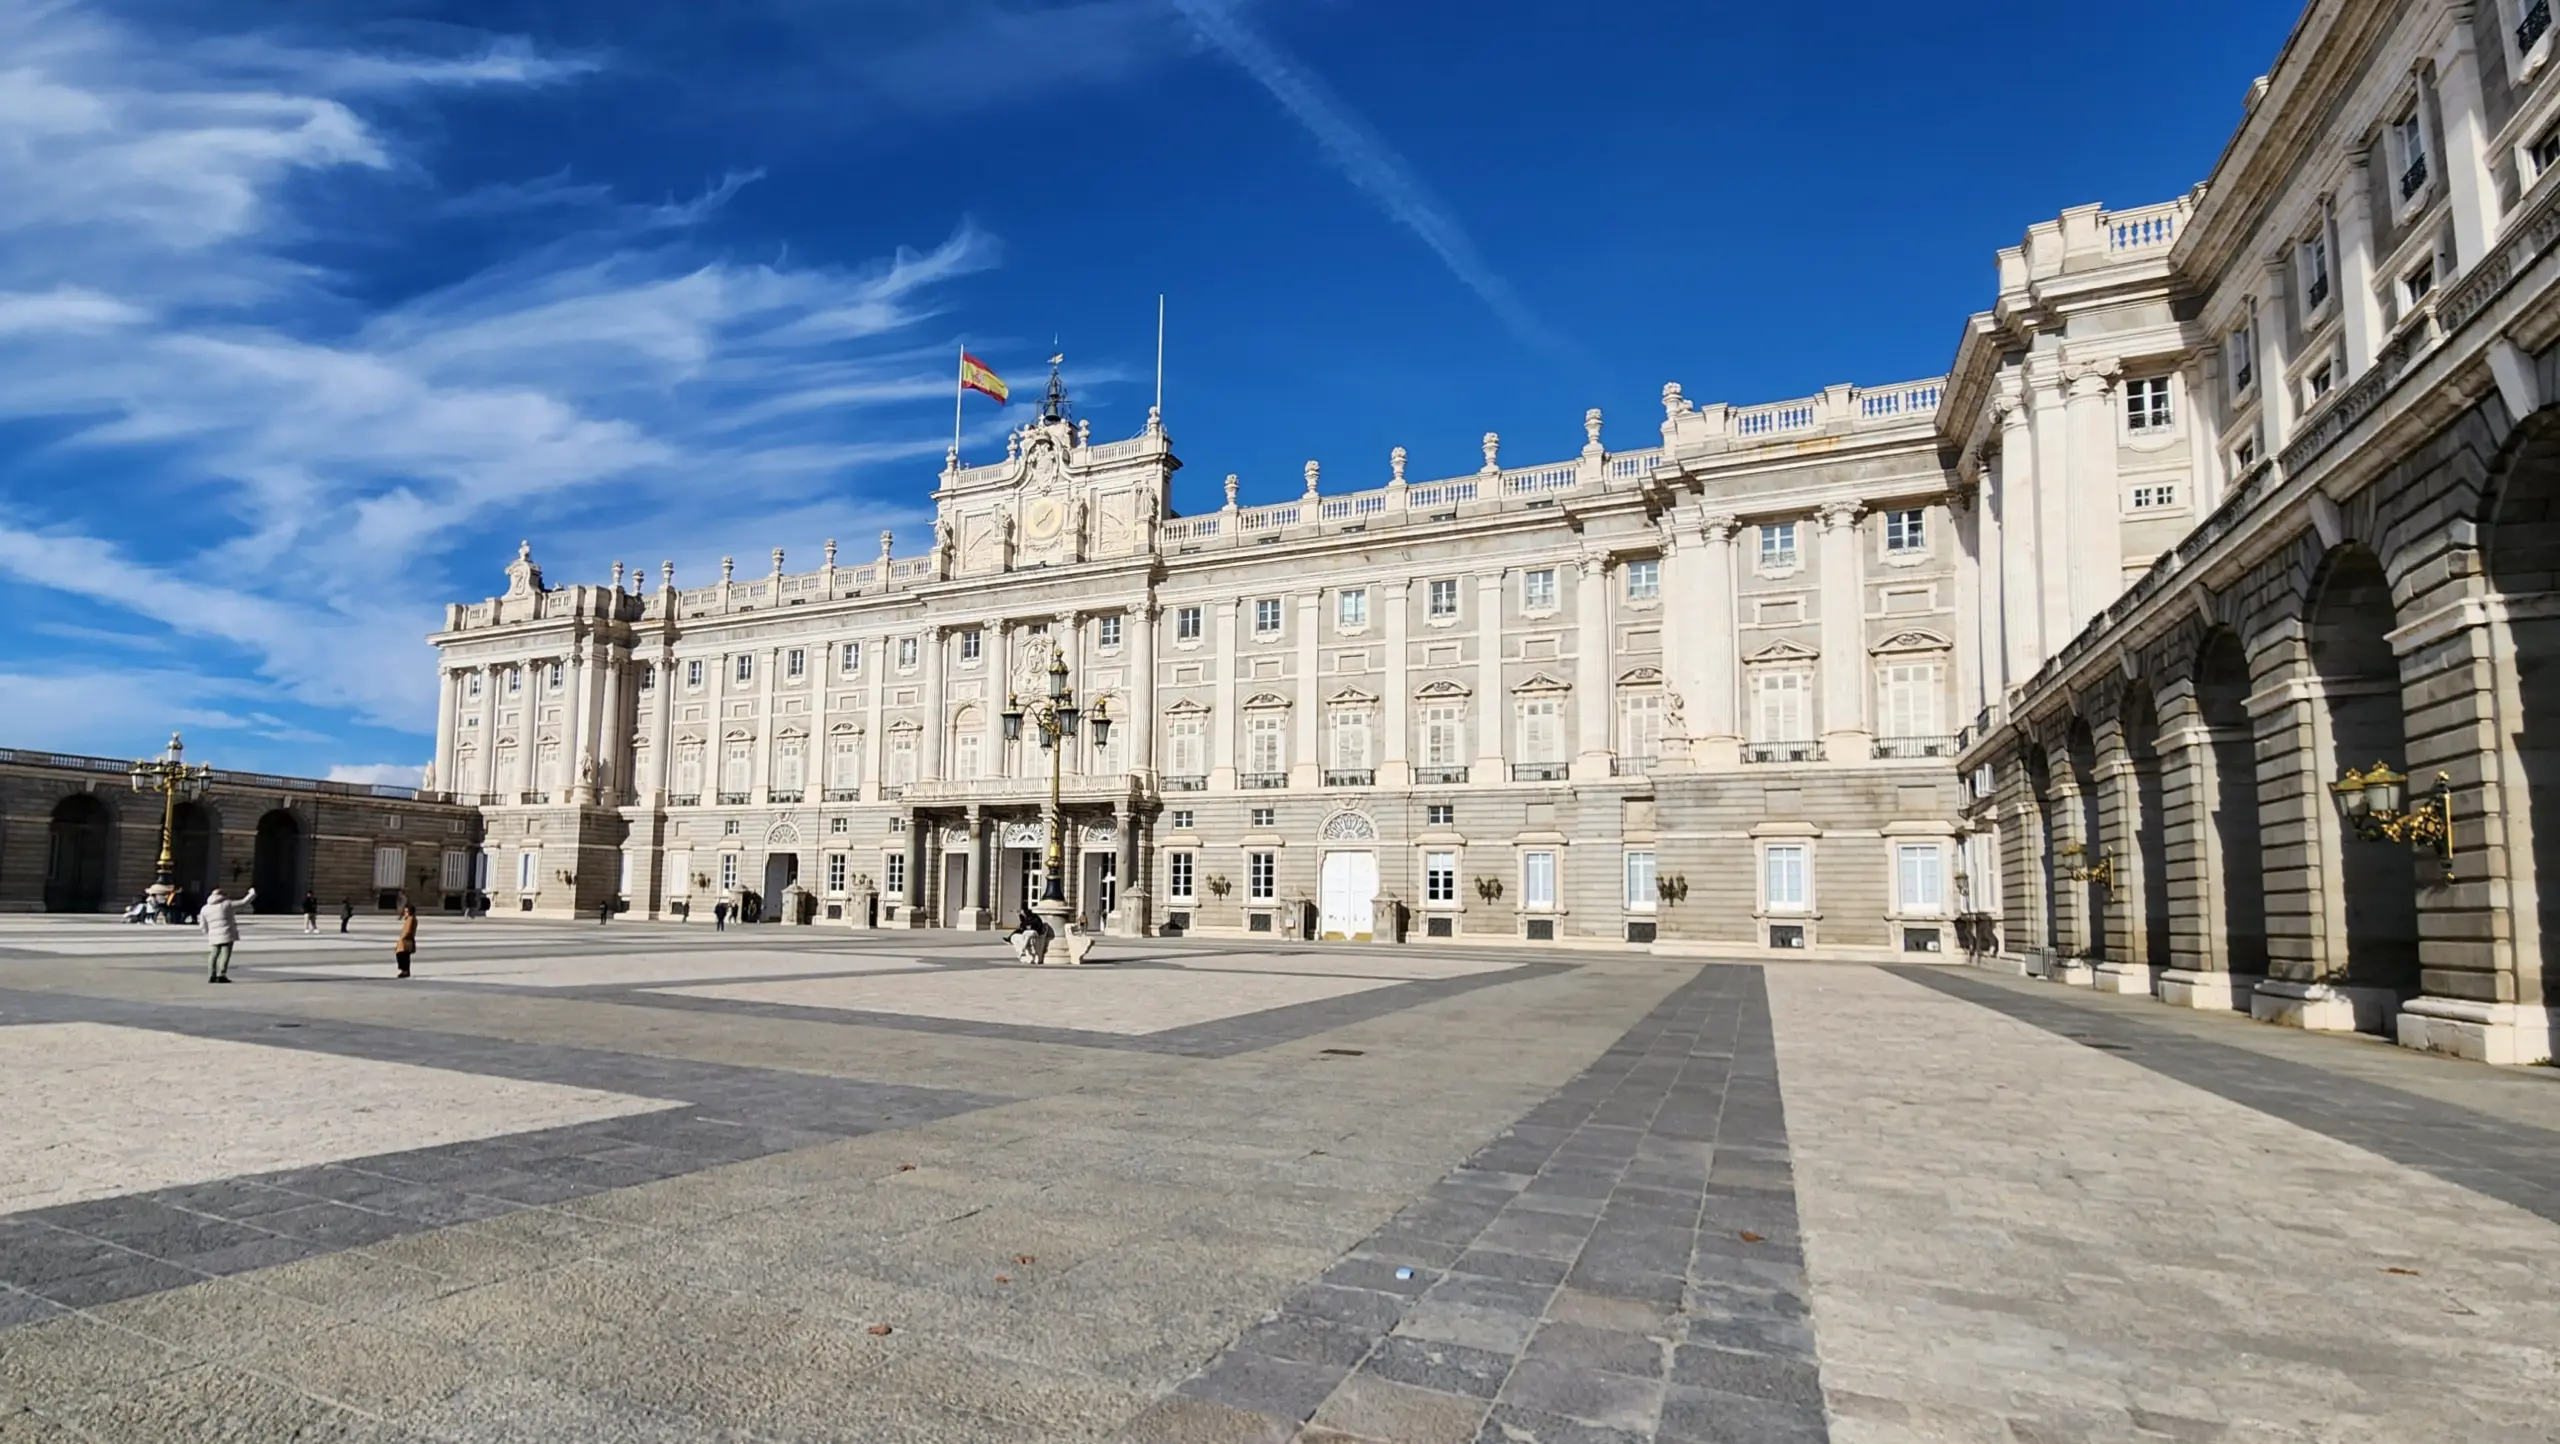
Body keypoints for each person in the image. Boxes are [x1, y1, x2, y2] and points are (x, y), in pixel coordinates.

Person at [201, 886, 253, 982]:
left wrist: (208, 933)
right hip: (227, 933)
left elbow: (203, 924)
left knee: (213, 954)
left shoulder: (205, 908)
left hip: (213, 934)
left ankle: (211, 975)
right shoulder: (226, 904)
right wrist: (252, 893)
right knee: (225, 954)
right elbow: (243, 903)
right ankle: (221, 975)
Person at [394, 903, 417, 978]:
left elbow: (408, 930)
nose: (405, 913)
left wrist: (403, 938)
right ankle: (405, 970)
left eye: (406, 911)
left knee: (402, 955)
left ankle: (405, 971)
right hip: (405, 940)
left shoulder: (411, 919)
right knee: (404, 955)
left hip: (406, 940)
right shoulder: (409, 919)